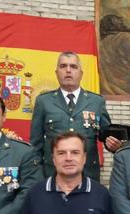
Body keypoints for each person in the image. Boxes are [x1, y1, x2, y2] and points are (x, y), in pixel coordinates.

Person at [16, 132, 118, 214]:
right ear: (53, 159)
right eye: (61, 153)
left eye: (75, 152)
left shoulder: (102, 194)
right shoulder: (35, 193)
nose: (68, 158)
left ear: (84, 157)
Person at [30, 51, 121, 181]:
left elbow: (107, 136)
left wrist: (114, 145)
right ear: (56, 73)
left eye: (73, 67)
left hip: (88, 174)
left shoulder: (96, 102)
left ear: (81, 73)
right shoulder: (44, 101)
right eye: (63, 66)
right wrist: (38, 177)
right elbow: (35, 145)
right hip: (52, 175)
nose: (68, 70)